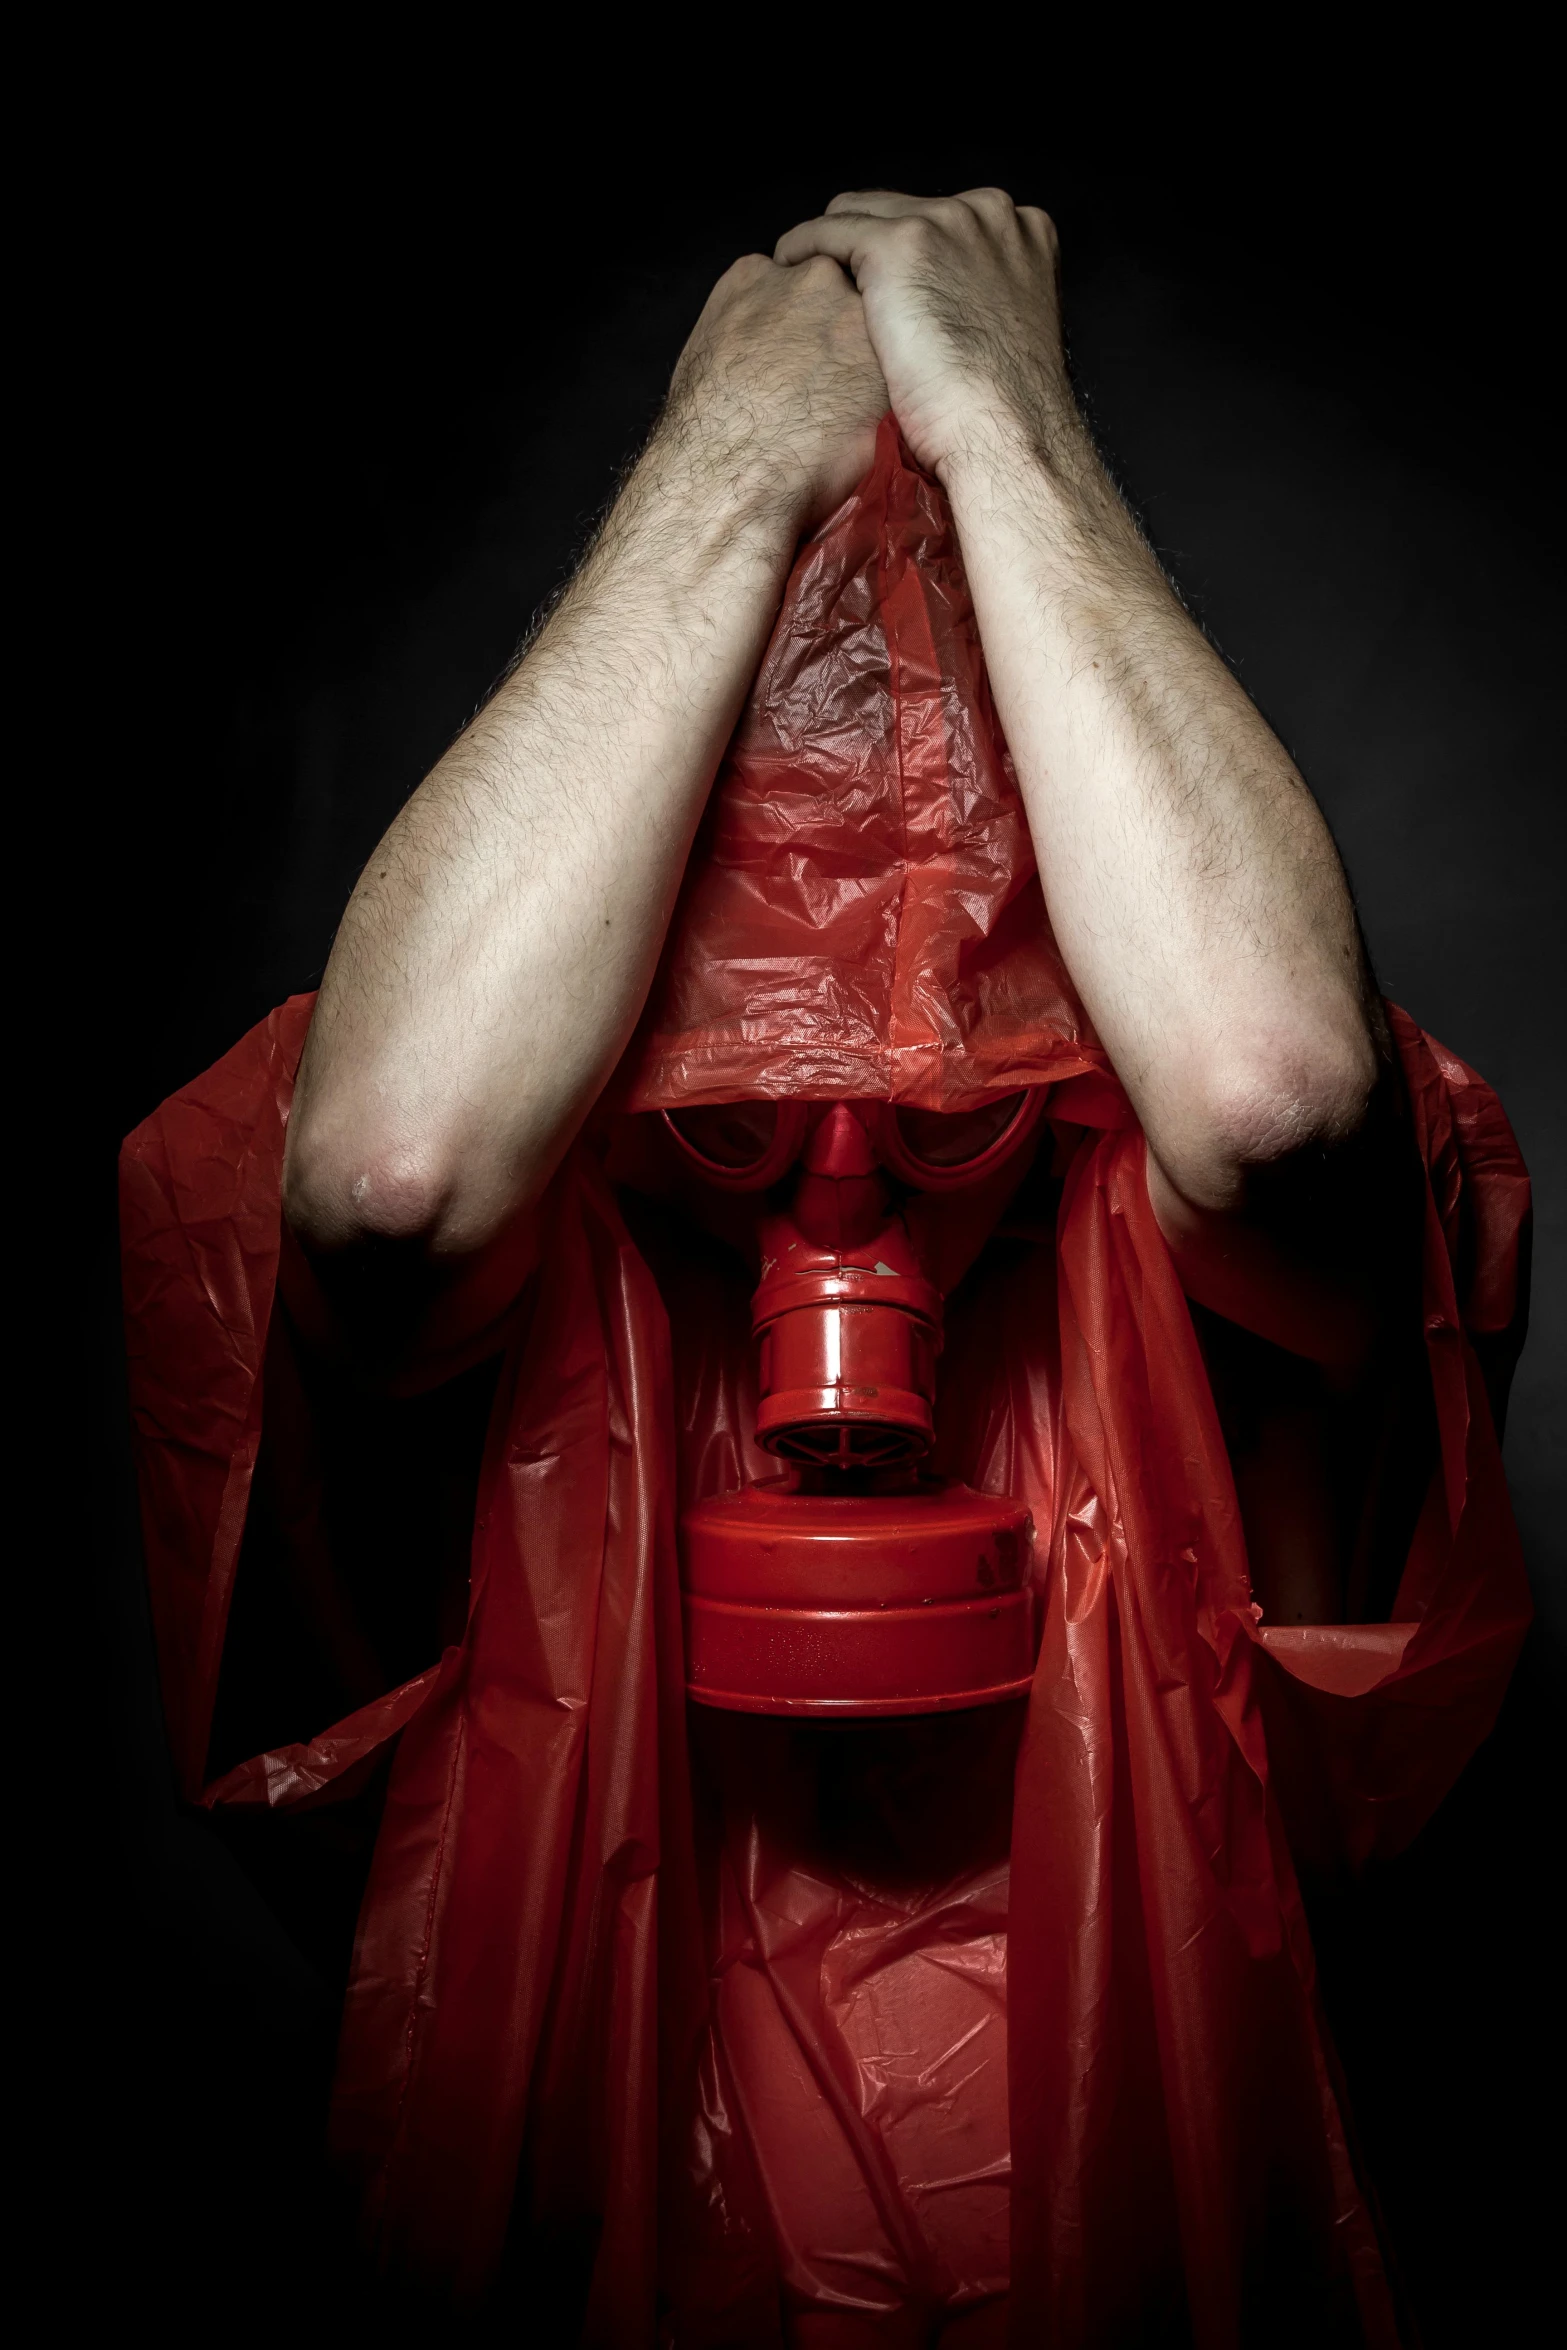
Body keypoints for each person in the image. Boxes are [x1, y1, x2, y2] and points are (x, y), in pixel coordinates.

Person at [121, 192, 1532, 2346]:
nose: (842, 1179)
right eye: (742, 1094)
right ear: (624, 1022)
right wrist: (731, 448)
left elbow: (1262, 1089)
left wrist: (1000, 415)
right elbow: (395, 1170)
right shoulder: (511, 1281)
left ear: (1068, 1027)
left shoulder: (1190, 1285)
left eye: (950, 1093)